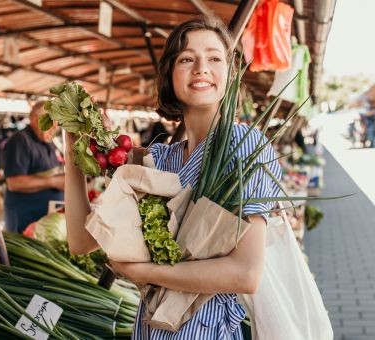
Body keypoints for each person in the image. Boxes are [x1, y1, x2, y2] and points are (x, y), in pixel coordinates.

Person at [64, 15, 282, 339]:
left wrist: (146, 272)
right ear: (170, 74)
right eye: (186, 59)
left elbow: (245, 273)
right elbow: (81, 243)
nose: (201, 68)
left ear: (230, 73)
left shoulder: (245, 145)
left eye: (214, 57)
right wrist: (73, 154)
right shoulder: (160, 159)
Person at [2, 101, 65, 233]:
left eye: (56, 126)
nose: (55, 129)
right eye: (52, 125)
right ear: (38, 120)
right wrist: (54, 182)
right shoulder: (20, 141)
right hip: (24, 220)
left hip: (43, 220)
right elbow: (14, 183)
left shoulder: (47, 141)